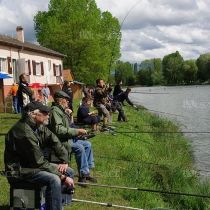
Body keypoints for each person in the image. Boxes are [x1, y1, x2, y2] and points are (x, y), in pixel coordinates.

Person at [4, 101, 74, 210]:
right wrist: (63, 177)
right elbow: (38, 162)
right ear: (33, 114)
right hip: (19, 170)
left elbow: (55, 141)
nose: (48, 115)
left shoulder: (37, 126)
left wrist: (64, 161)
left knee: (68, 170)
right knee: (54, 179)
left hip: (31, 166)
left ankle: (60, 203)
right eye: (45, 112)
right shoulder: (23, 132)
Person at [49, 90, 96, 184]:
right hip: (59, 141)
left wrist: (70, 117)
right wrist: (77, 132)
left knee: (87, 144)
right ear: (60, 101)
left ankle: (86, 172)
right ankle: (83, 176)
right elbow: (58, 130)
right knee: (79, 147)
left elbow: (69, 126)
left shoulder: (61, 111)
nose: (68, 103)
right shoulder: (55, 111)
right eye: (66, 101)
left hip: (67, 138)